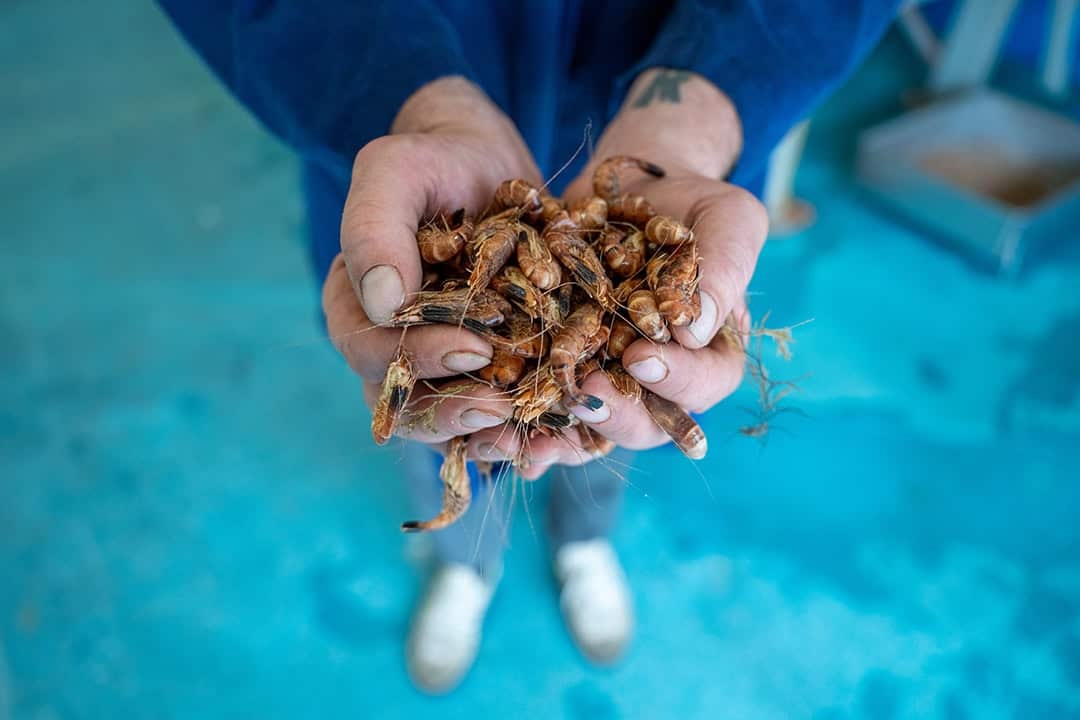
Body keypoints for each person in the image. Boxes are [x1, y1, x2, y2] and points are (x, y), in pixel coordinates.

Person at [159, 0, 902, 693]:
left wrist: (701, 104)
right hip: (409, 144)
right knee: (436, 393)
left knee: (614, 396)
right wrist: (411, 95)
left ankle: (582, 543)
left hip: (656, 93)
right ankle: (465, 564)